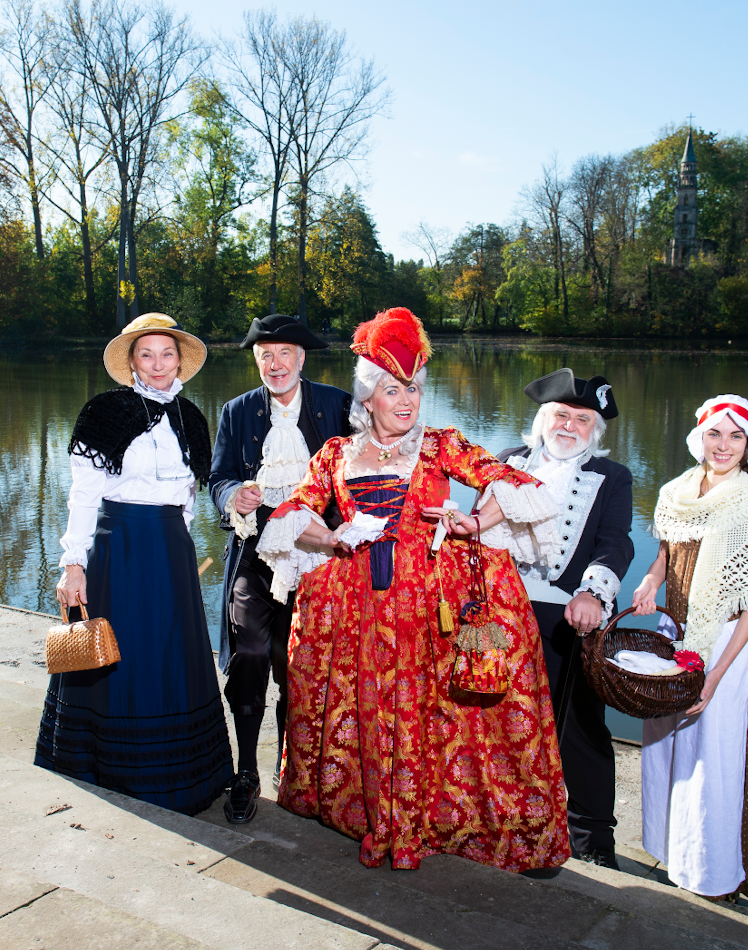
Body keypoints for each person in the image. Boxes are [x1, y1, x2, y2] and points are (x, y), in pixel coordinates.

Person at [257, 307, 571, 872]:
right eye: (392, 390)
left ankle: (426, 820)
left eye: (414, 390)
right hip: (357, 606)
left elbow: (519, 481)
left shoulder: (441, 445)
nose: (406, 401)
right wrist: (331, 538)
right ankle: (370, 815)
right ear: (368, 398)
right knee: (367, 709)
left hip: (427, 606)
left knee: (428, 713)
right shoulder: (334, 453)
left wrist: (475, 523)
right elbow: (289, 515)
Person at [35, 313, 234, 816]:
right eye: (146, 354)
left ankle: (179, 778)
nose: (158, 363)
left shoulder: (192, 417)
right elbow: (83, 494)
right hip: (119, 546)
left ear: (179, 360)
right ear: (131, 363)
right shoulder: (104, 412)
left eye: (167, 353)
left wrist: (181, 546)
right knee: (119, 657)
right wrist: (72, 563)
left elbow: (190, 496)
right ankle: (107, 767)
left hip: (169, 548)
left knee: (170, 653)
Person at [631, 395, 748, 901]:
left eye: (735, 436)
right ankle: (673, 853)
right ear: (700, 438)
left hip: (721, 644)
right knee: (667, 747)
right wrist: (649, 581)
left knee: (714, 756)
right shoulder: (677, 492)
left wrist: (715, 674)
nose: (723, 445)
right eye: (715, 434)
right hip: (674, 635)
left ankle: (713, 873)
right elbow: (667, 551)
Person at [207, 314, 352, 824]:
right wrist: (234, 496)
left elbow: (366, 467)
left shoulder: (336, 404)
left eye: (284, 353)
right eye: (265, 355)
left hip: (319, 554)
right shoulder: (237, 411)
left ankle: (297, 771)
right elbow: (218, 476)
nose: (275, 364)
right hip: (256, 548)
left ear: (302, 358)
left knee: (303, 666)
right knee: (248, 651)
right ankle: (245, 770)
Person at [490, 369, 633, 869]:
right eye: (560, 415)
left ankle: (592, 837)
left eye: (581, 418)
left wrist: (593, 593)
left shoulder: (612, 478)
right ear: (542, 418)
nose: (569, 425)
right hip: (500, 605)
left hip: (566, 609)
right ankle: (514, 823)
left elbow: (616, 542)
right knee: (497, 715)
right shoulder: (508, 461)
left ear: (595, 430)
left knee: (577, 725)